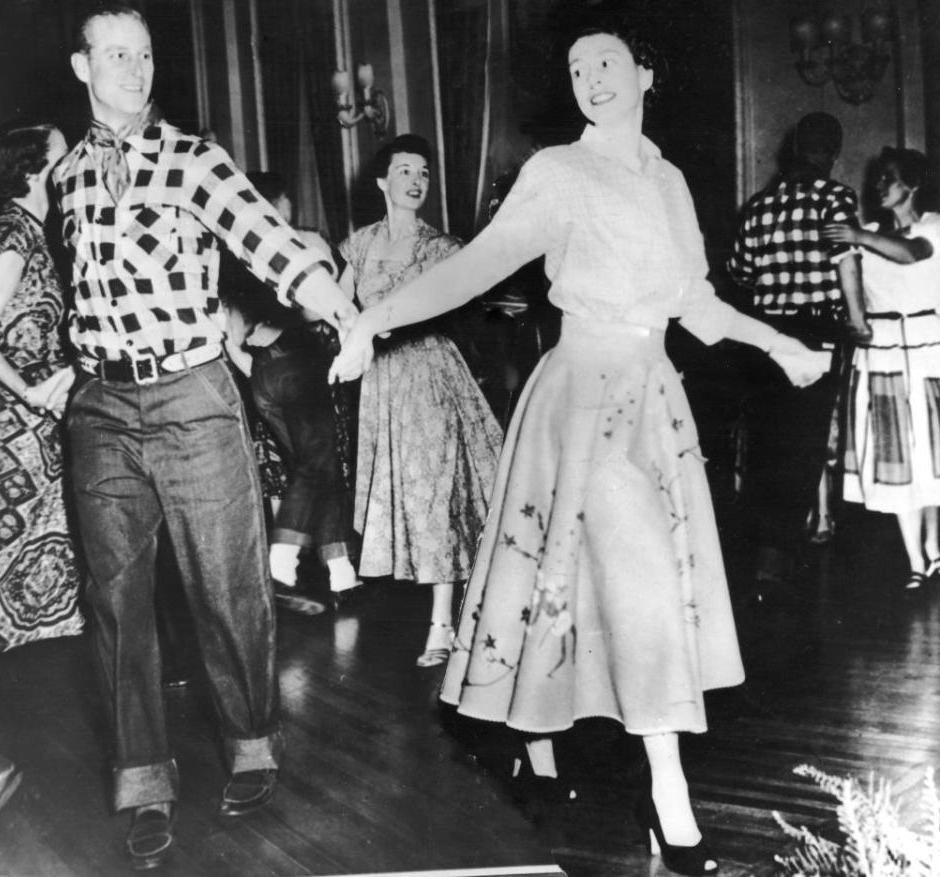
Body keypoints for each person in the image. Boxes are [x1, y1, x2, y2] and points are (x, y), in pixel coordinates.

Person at [330, 16, 829, 876]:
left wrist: (777, 342)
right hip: (582, 392)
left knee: (577, 582)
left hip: (652, 397)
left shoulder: (667, 179)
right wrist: (373, 320)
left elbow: (695, 303)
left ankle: (546, 750)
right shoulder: (557, 172)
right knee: (622, 584)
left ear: (645, 73)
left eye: (606, 62)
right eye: (575, 66)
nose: (590, 77)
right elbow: (477, 266)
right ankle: (667, 795)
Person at [53, 4, 358, 870]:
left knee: (226, 584)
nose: (135, 68)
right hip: (101, 408)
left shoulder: (192, 159)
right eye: (116, 54)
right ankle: (143, 778)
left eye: (144, 54)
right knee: (115, 601)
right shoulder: (67, 178)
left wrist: (334, 303)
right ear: (83, 67)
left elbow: (267, 241)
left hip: (192, 393)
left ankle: (253, 740)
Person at [337, 134, 503, 667]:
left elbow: (449, 305)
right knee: (408, 500)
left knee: (435, 498)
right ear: (382, 181)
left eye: (424, 173)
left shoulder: (442, 247)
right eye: (405, 171)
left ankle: (442, 625)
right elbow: (340, 308)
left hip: (429, 375)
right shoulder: (358, 244)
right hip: (380, 386)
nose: (416, 180)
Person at [728, 111, 869, 594]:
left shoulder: (758, 204)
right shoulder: (835, 197)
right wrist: (856, 320)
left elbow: (740, 273)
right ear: (831, 153)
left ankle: (766, 557)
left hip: (768, 338)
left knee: (767, 446)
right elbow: (845, 261)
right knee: (804, 448)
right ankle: (779, 559)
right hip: (818, 334)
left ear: (793, 151)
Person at [228, 171, 359, 609]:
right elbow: (318, 307)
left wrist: (255, 370)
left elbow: (228, 333)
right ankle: (280, 564)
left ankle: (340, 575)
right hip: (300, 362)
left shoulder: (235, 251)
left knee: (317, 466)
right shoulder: (304, 243)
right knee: (318, 464)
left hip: (264, 370)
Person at [0, 123, 84, 653]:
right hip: (7, 421)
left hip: (38, 417)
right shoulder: (13, 232)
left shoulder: (39, 231)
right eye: (64, 153)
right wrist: (27, 391)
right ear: (33, 167)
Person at [822, 147, 940, 589]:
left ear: (913, 185)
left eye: (889, 178)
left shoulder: (933, 228)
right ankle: (915, 559)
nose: (879, 185)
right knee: (898, 458)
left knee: (931, 458)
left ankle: (933, 548)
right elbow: (847, 268)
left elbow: (912, 253)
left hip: (930, 351)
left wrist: (857, 236)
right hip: (882, 355)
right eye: (878, 178)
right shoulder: (865, 234)